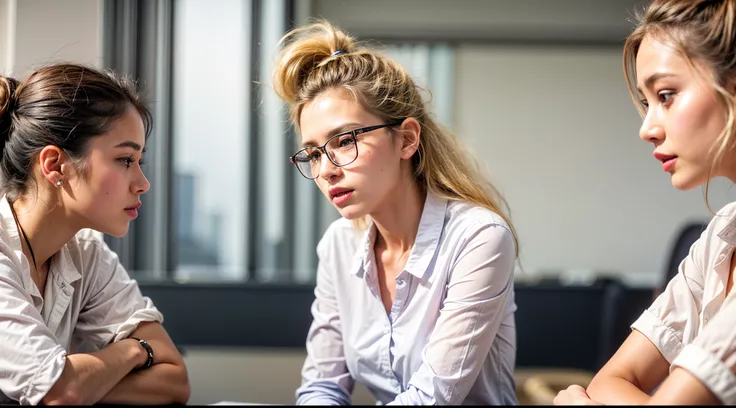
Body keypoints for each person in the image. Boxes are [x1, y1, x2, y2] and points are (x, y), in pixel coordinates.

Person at [272, 20, 520, 405]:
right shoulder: (339, 245)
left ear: (406, 139)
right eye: (315, 153)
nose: (326, 170)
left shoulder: (478, 237)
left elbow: (431, 399)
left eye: (345, 141)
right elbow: (322, 384)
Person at [554, 0, 736, 405]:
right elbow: (610, 380)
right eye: (647, 101)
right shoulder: (722, 235)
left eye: (667, 95)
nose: (647, 129)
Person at [0, 63, 190, 405]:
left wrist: (83, 382)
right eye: (124, 160)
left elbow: (174, 381)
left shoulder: (86, 253)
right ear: (55, 165)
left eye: (139, 161)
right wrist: (134, 351)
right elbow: (63, 392)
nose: (142, 184)